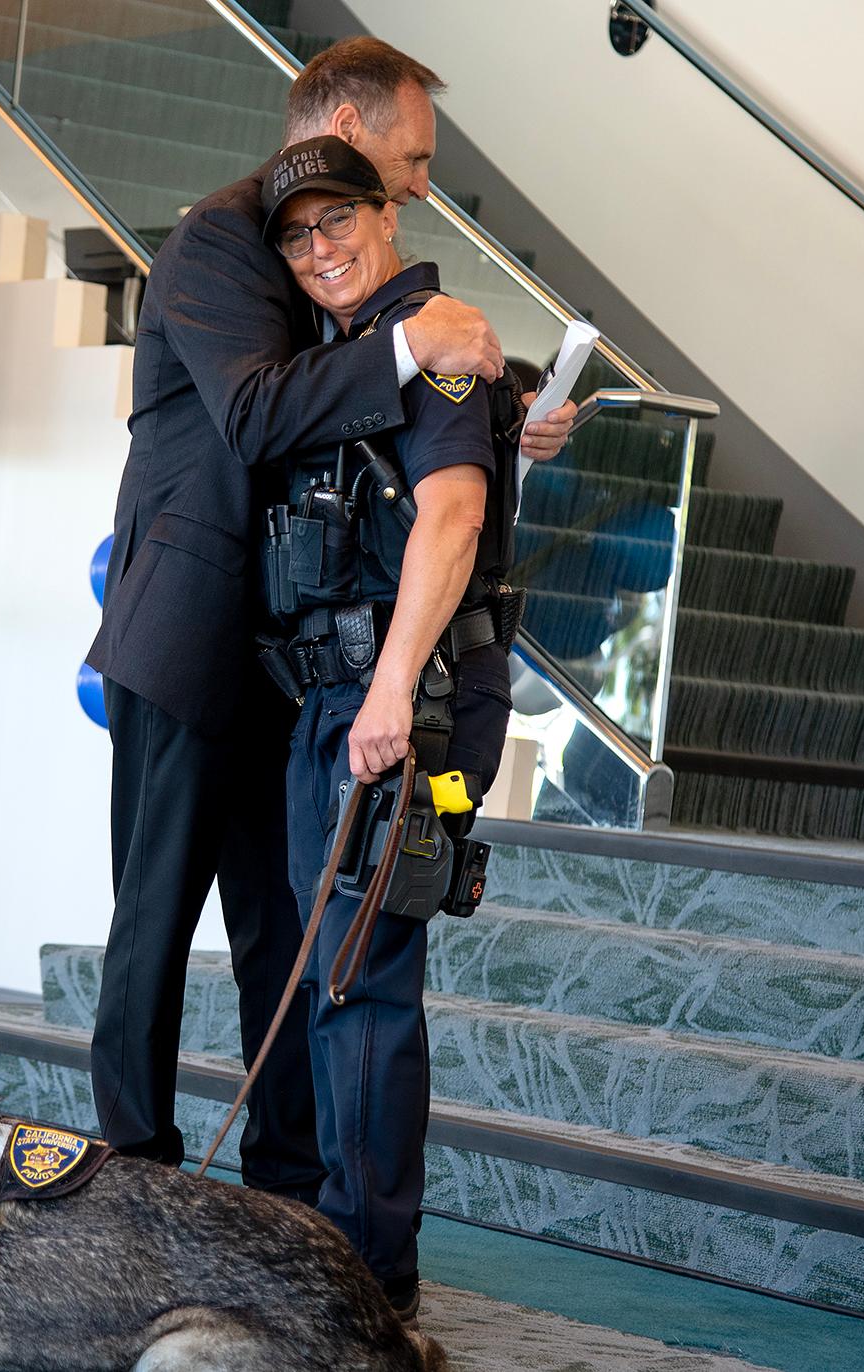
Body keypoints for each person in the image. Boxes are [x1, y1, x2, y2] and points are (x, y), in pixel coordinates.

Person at [85, 35, 573, 1212]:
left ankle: (282, 1193)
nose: (416, 184)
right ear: (345, 135)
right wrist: (418, 348)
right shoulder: (218, 238)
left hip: (290, 660)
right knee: (154, 921)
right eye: (408, 159)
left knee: (280, 933)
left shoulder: (326, 267)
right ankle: (135, 1187)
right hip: (186, 639)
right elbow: (257, 416)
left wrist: (502, 413)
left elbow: (359, 423)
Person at [262, 133, 521, 1323]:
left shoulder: (442, 349)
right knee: (331, 979)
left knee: (361, 984)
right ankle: (334, 1245)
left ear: (388, 214)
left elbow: (452, 520)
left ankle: (369, 1282)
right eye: (298, 234)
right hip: (345, 700)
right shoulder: (356, 354)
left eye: (338, 222)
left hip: (396, 708)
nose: (320, 250)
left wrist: (387, 691)